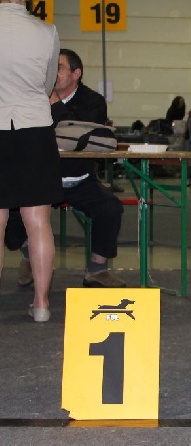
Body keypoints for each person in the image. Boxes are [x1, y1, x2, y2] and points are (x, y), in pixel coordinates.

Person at [8, 49, 126, 288]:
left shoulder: (93, 102)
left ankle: (97, 269)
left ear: (76, 74)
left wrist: (53, 101)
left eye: (58, 68)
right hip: (42, 178)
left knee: (110, 208)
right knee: (8, 210)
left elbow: (73, 133)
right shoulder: (32, 99)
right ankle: (30, 256)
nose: (52, 73)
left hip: (79, 179)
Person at [0, 0, 62, 322]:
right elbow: (48, 82)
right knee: (38, 222)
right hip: (34, 130)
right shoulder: (46, 31)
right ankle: (41, 305)